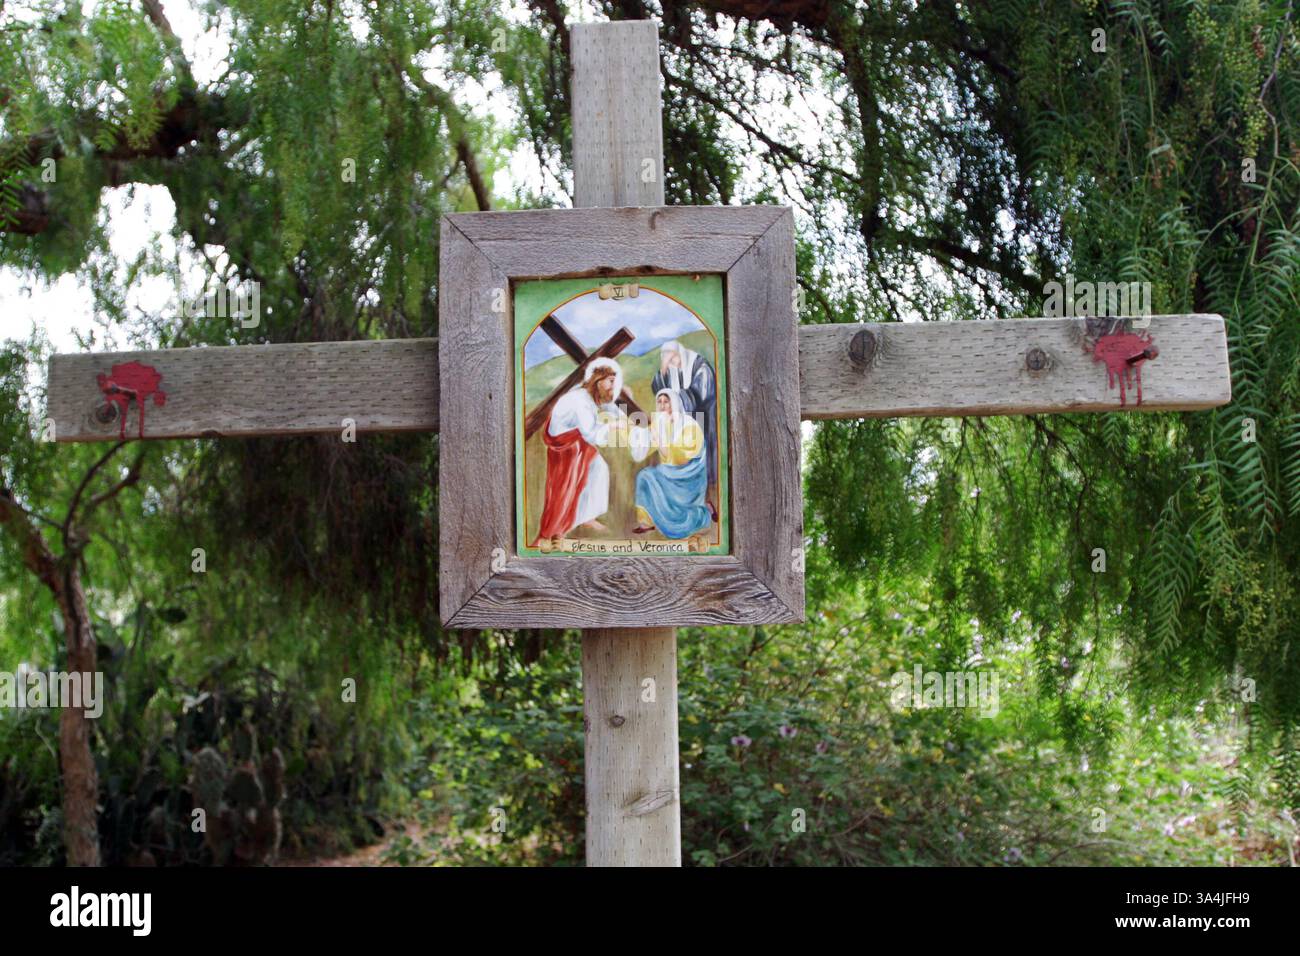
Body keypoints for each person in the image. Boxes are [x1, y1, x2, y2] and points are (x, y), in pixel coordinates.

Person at [532, 358, 623, 545]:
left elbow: (608, 407)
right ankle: (552, 533)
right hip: (565, 446)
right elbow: (591, 434)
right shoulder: (581, 401)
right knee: (565, 488)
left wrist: (619, 414)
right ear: (598, 381)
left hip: (576, 439)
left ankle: (586, 517)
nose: (613, 387)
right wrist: (612, 427)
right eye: (610, 381)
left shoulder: (589, 395)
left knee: (598, 467)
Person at [630, 388, 714, 539]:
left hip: (688, 475)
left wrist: (660, 441)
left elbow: (682, 457)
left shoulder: (689, 424)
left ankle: (702, 513)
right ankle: (646, 521)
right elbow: (645, 445)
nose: (662, 405)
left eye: (666, 402)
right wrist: (639, 434)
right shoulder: (660, 422)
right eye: (659, 402)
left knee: (649, 476)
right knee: (644, 476)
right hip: (668, 471)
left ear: (674, 403)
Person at [652, 339, 718, 508]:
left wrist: (674, 401)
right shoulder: (671, 370)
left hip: (703, 422)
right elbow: (659, 389)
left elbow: (699, 393)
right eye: (667, 360)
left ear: (681, 354)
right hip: (682, 424)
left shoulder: (701, 367)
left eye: (673, 358)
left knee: (702, 464)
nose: (672, 363)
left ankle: (707, 501)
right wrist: (663, 371)